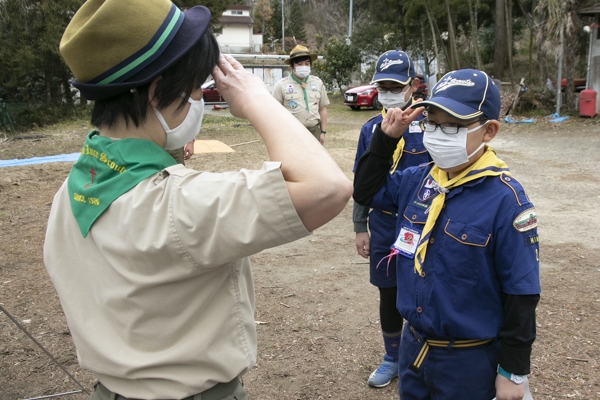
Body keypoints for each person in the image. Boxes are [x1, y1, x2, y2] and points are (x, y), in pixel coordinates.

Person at [43, 1, 352, 399]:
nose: (198, 102)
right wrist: (257, 100)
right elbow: (328, 187)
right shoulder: (178, 204)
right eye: (193, 91)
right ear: (157, 94)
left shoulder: (72, 191)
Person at [353, 69, 540, 400]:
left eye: (452, 126)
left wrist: (512, 371)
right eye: (432, 123)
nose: (438, 134)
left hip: (469, 359)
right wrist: (386, 139)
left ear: (489, 131)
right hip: (415, 348)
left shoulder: (505, 201)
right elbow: (365, 190)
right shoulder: (419, 179)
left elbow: (521, 293)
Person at [352, 50, 431, 388]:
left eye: (394, 85)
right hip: (384, 223)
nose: (387, 91)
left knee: (424, 290)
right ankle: (392, 356)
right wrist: (360, 226)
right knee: (388, 292)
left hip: (421, 223)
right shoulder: (371, 128)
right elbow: (361, 181)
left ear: (412, 86)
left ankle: (424, 356)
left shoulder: (430, 126)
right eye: (381, 86)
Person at [272, 44, 329, 144]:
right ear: (292, 66)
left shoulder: (318, 83)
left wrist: (323, 132)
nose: (304, 67)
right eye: (299, 64)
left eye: (307, 64)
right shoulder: (281, 85)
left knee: (314, 159)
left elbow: (322, 109)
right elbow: (274, 114)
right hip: (291, 133)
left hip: (314, 131)